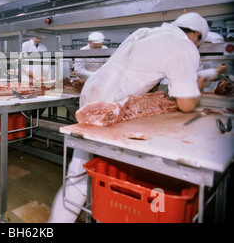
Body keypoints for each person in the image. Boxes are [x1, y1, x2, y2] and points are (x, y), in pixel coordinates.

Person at [49, 12, 216, 223]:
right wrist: (197, 89)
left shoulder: (147, 33)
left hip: (94, 92)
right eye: (200, 43)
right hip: (113, 103)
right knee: (82, 171)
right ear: (197, 35)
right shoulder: (185, 47)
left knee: (78, 169)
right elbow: (186, 104)